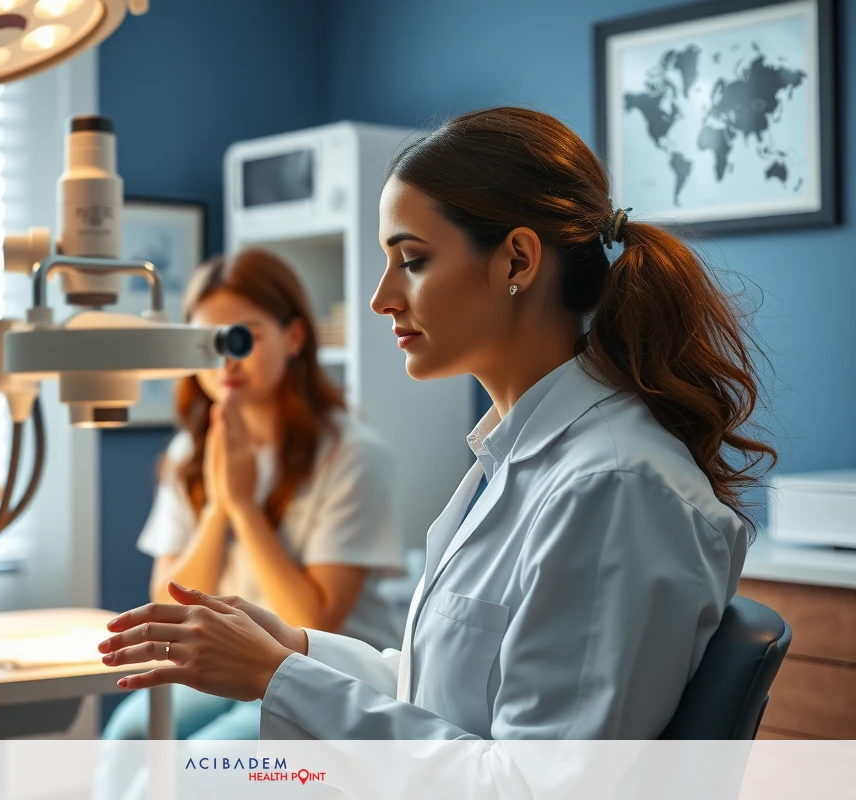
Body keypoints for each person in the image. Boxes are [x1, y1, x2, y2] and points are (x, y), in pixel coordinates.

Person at [96, 107, 777, 743]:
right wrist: (292, 648)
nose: (380, 297)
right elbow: (439, 696)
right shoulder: (515, 459)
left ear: (516, 260)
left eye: (413, 260)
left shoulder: (613, 487)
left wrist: (278, 679)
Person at [101, 248, 405, 740]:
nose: (226, 360)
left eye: (243, 336)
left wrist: (243, 507)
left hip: (326, 674)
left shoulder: (353, 455)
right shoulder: (189, 453)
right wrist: (218, 508)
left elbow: (313, 621)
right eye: (206, 342)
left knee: (194, 768)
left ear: (294, 337)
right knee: (130, 735)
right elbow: (169, 602)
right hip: (230, 660)